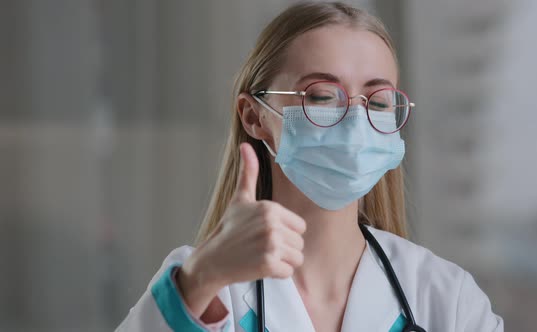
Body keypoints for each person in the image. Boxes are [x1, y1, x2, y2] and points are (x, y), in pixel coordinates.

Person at [116, 2, 503, 331]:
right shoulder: (201, 283)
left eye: (378, 101)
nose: (354, 121)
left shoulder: (447, 298)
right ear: (254, 117)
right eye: (321, 96)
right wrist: (205, 276)